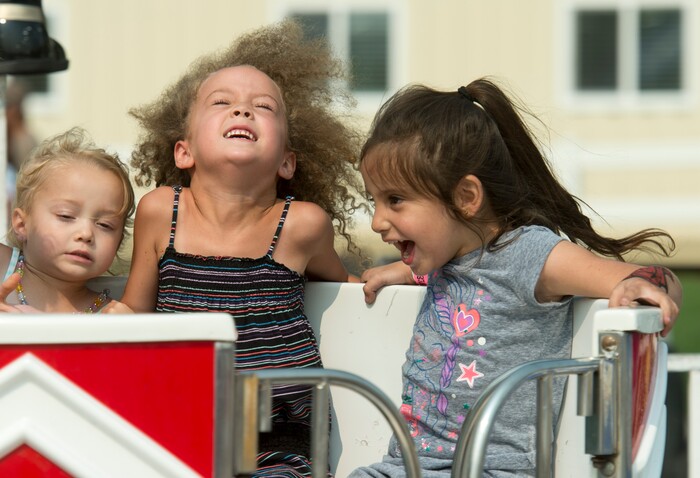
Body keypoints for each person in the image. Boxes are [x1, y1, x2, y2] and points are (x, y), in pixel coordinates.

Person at [352, 79, 682, 477]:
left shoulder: (527, 254)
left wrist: (639, 285)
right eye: (375, 201)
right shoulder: (445, 260)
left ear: (466, 198)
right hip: (405, 466)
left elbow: (656, 277)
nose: (376, 221)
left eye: (395, 200)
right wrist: (404, 270)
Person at [117, 20, 365, 477]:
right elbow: (134, 311)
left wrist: (388, 278)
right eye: (222, 102)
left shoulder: (302, 224)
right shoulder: (161, 211)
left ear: (287, 160)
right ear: (183, 151)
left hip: (280, 438)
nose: (243, 111)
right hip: (181, 423)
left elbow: (349, 288)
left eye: (263, 107)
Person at [0, 126, 135, 313]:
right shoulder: (2, 265)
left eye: (105, 225)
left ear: (119, 242)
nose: (86, 234)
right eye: (66, 216)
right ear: (22, 224)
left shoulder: (109, 315)